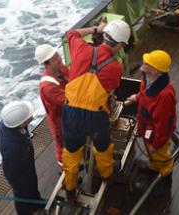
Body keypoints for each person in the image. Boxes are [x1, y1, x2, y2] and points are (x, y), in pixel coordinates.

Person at [62, 19, 131, 201]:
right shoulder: (116, 67)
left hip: (70, 113)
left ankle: (70, 188)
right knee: (102, 147)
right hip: (94, 117)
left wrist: (95, 28)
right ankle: (107, 173)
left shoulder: (81, 49)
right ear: (121, 45)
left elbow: (71, 33)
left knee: (71, 151)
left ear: (104, 35)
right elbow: (112, 88)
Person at [127, 50, 177, 193]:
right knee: (152, 154)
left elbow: (164, 125)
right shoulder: (148, 79)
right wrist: (136, 97)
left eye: (147, 63)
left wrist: (157, 144)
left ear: (155, 70)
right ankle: (154, 168)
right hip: (146, 128)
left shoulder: (165, 95)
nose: (143, 64)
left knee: (162, 156)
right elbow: (144, 93)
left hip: (157, 135)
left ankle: (165, 179)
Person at [0, 101, 43, 215]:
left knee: (32, 184)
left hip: (26, 166)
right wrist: (18, 185)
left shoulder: (14, 125)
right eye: (28, 116)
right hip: (19, 176)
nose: (31, 115)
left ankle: (37, 204)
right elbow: (11, 171)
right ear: (21, 123)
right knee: (22, 197)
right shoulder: (12, 147)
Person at [35, 44, 69, 167]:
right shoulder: (47, 87)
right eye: (54, 59)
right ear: (47, 64)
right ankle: (64, 165)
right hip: (59, 120)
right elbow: (67, 101)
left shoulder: (62, 69)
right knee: (61, 143)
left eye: (57, 55)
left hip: (67, 115)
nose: (59, 59)